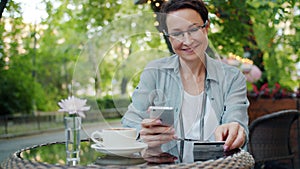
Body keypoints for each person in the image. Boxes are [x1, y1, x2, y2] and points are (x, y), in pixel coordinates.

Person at [122, 0, 249, 162]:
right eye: (177, 34)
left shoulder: (232, 77)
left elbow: (237, 122)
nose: (187, 40)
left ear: (206, 28)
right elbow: (129, 121)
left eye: (194, 29)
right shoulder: (154, 72)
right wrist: (142, 132)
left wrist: (235, 131)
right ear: (168, 37)